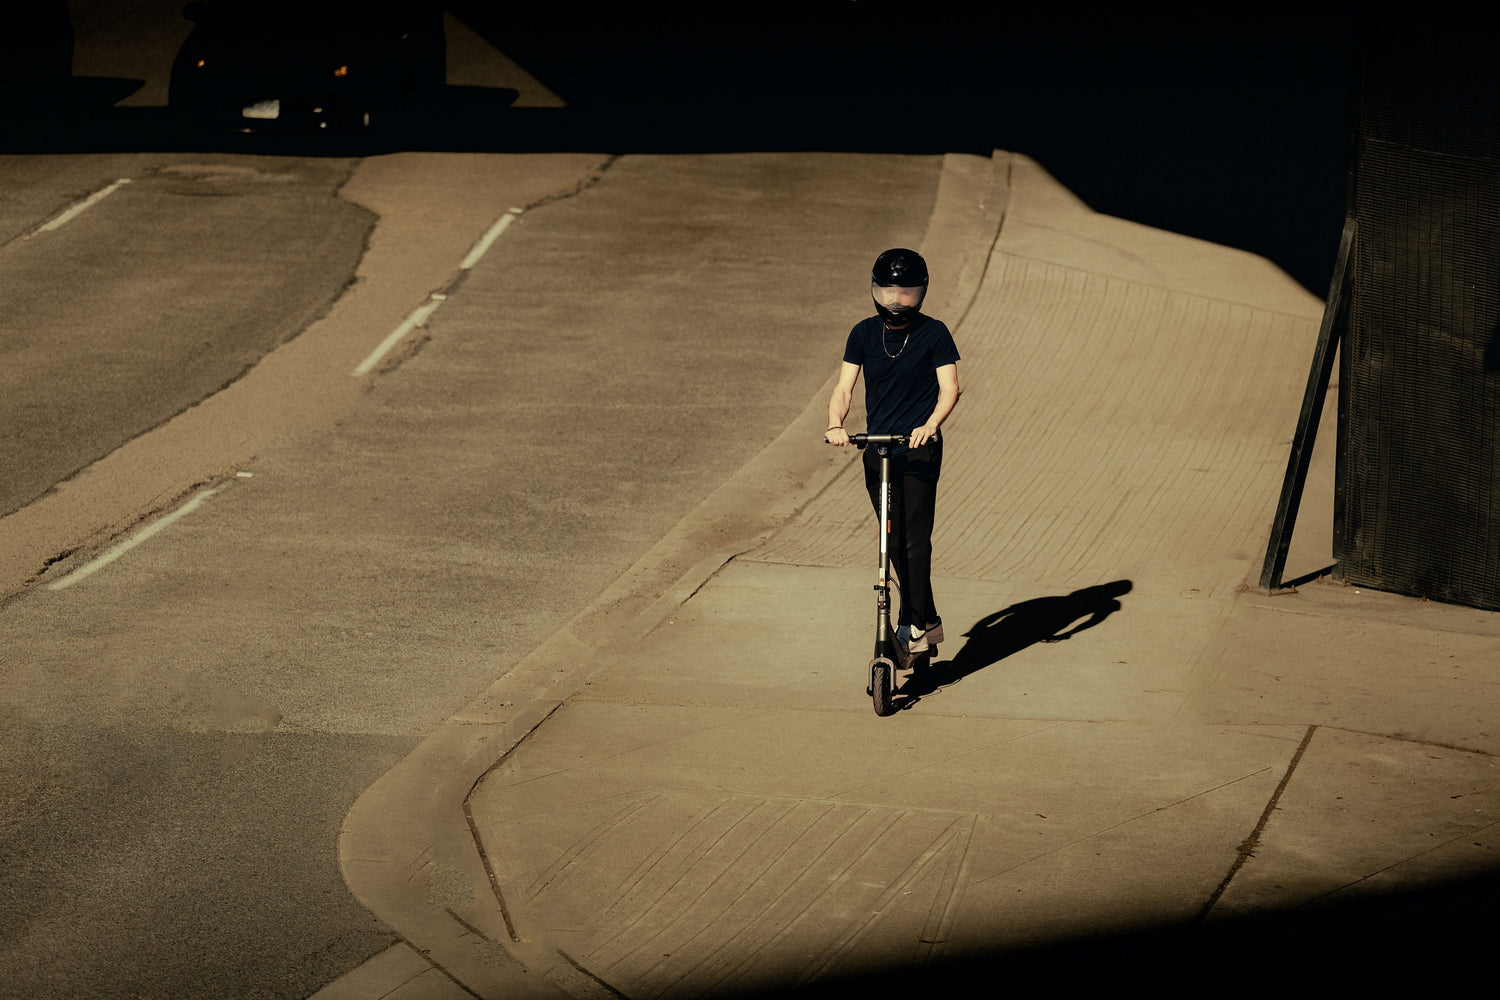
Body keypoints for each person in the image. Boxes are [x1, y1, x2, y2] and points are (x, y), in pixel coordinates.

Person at [826, 248, 961, 664]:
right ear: (875, 290)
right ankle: (928, 619)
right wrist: (835, 423)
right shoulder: (863, 334)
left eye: (905, 292)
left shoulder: (935, 333)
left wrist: (931, 424)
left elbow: (951, 388)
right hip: (878, 449)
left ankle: (913, 625)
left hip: (919, 450)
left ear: (920, 293)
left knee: (914, 539)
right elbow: (844, 388)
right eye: (887, 291)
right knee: (892, 537)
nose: (896, 301)